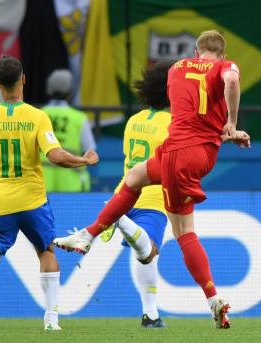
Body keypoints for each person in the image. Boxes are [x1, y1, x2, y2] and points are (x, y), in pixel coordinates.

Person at [53, 30, 251, 329]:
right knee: (150, 194)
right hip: (194, 157)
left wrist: (224, 129)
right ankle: (88, 235)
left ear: (197, 53)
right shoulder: (224, 66)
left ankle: (94, 234)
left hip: (175, 154)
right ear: (220, 54)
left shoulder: (177, 69)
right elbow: (231, 82)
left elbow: (187, 115)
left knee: (148, 198)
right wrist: (232, 126)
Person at [0, 56, 98, 331]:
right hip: (32, 201)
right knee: (46, 251)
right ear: (23, 79)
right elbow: (56, 156)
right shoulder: (37, 117)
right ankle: (51, 319)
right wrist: (83, 160)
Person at [97, 60, 174, 328]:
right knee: (150, 252)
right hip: (153, 195)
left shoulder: (134, 121)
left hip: (126, 192)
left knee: (148, 256)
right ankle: (120, 221)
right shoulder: (173, 123)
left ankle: (150, 314)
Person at [41, 69, 97, 192]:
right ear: (70, 91)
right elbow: (90, 151)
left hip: (41, 184)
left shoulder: (38, 115)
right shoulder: (79, 118)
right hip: (72, 184)